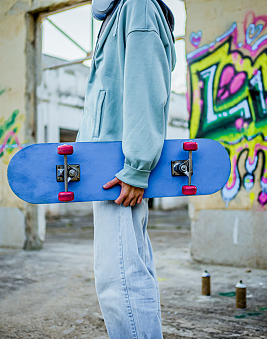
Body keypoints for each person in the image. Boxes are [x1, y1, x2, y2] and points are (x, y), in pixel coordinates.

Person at [76, 0, 176, 337]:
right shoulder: (120, 11)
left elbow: (144, 85)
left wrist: (136, 167)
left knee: (120, 280)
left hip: (117, 172)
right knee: (126, 273)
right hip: (107, 168)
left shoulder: (137, 5)